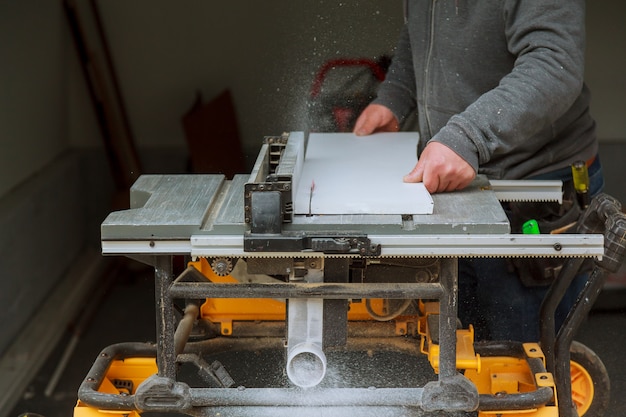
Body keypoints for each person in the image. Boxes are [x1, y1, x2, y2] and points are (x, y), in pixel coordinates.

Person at [353, 1, 604, 342]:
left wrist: (467, 138)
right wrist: (395, 97)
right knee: (466, 351)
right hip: (460, 185)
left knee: (520, 367)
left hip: (532, 189)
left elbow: (553, 65)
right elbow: (422, 36)